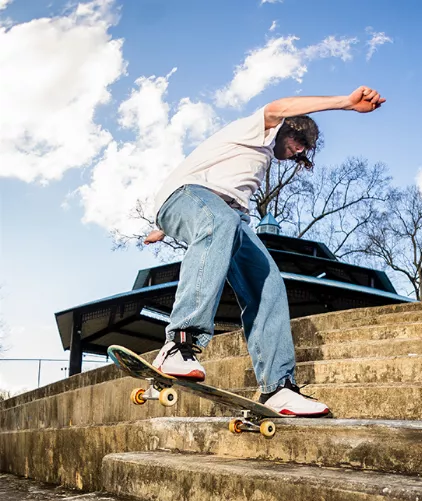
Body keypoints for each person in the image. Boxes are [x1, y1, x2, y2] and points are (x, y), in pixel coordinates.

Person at [145, 85, 385, 416]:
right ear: (287, 127)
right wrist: (344, 103)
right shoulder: (259, 129)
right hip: (192, 196)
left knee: (268, 282)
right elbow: (281, 105)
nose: (299, 149)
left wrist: (164, 228)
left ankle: (278, 388)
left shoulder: (257, 159)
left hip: (223, 213)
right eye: (299, 140)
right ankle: (180, 343)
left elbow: (218, 191)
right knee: (219, 221)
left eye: (305, 148)